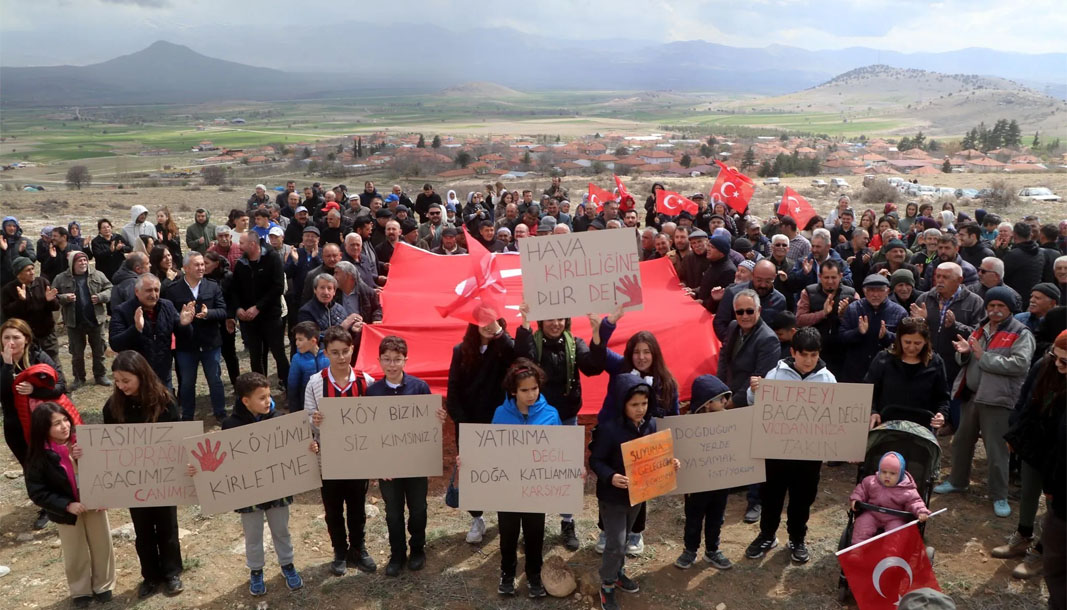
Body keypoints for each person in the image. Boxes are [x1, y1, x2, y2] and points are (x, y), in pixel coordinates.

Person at [191, 372, 307, 596]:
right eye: (261, 397)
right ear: (246, 401)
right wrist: (200, 469)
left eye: (268, 395)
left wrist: (308, 449)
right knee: (253, 534)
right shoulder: (230, 426)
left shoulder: (280, 419)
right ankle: (256, 570)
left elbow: (295, 449)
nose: (268, 401)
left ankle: (288, 565)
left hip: (278, 489)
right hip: (249, 494)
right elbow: (223, 464)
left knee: (282, 530)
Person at [935, 286, 1035, 518]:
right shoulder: (980, 329)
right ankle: (958, 481)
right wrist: (965, 353)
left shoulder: (1021, 333)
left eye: (1001, 306)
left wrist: (983, 357)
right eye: (991, 306)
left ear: (1010, 309)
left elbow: (1020, 365)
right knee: (961, 442)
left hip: (998, 400)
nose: (995, 310)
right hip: (972, 397)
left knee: (996, 450)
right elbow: (968, 359)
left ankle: (999, 495)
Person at [515, 303, 604, 551]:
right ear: (541, 322)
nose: (555, 323)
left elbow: (593, 367)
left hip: (566, 418)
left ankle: (567, 522)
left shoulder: (575, 343)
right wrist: (524, 321)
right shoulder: (533, 344)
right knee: (535, 471)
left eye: (561, 319)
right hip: (536, 420)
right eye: (549, 319)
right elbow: (522, 360)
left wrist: (597, 334)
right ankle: (534, 525)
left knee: (566, 472)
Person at [591, 311, 680, 555]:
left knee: (642, 487)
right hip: (613, 439)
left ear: (655, 354)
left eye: (646, 352)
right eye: (637, 352)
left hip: (645, 442)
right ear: (630, 353)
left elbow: (672, 417)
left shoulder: (667, 382)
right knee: (610, 485)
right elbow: (599, 352)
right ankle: (605, 529)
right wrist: (607, 325)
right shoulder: (620, 367)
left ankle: (635, 532)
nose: (641, 357)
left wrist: (667, 449)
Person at [745, 327, 836, 564]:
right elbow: (755, 403)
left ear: (819, 354)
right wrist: (754, 390)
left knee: (802, 498)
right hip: (777, 452)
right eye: (803, 354)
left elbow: (836, 417)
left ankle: (797, 538)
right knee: (771, 495)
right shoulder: (775, 375)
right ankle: (767, 534)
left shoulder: (828, 380)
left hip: (809, 455)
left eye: (813, 355)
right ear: (793, 352)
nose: (808, 361)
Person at [590, 376, 679, 610]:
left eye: (644, 403)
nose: (640, 409)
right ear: (622, 404)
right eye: (634, 404)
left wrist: (669, 463)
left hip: (638, 495)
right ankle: (607, 585)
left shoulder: (650, 426)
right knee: (616, 543)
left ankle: (618, 572)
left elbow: (656, 455)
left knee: (627, 535)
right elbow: (596, 460)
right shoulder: (609, 430)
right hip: (612, 497)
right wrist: (611, 476)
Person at [104, 351, 185, 597]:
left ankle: (172, 573)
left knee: (167, 525)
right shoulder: (113, 406)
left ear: (142, 375)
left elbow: (178, 437)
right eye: (117, 381)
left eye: (126, 380)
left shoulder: (165, 401)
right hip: (133, 479)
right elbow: (106, 443)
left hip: (163, 477)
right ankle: (150, 576)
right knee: (142, 529)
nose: (121, 386)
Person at [365, 336, 445, 577]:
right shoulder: (372, 393)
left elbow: (428, 429)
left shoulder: (419, 387)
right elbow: (370, 432)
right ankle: (397, 554)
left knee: (418, 508)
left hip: (416, 463)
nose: (392, 365)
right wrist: (378, 465)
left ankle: (418, 549)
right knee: (393, 512)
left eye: (397, 359)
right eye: (387, 359)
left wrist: (437, 420)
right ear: (379, 360)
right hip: (388, 467)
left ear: (405, 360)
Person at [25, 403, 115, 607]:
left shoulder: (85, 443)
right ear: (43, 428)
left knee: (102, 544)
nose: (64, 426)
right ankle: (80, 590)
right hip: (66, 511)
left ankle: (104, 585)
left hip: (94, 504)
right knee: (75, 551)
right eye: (56, 424)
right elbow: (37, 491)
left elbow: (107, 470)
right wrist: (66, 505)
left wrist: (104, 494)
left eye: (65, 420)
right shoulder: (39, 455)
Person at [304, 327, 376, 575]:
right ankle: (339, 550)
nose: (341, 357)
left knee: (357, 506)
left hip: (358, 457)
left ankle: (359, 548)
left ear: (352, 350)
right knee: (333, 509)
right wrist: (316, 420)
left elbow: (376, 419)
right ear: (326, 353)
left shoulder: (366, 381)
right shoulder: (315, 383)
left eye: (345, 351)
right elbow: (307, 420)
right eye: (335, 353)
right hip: (328, 458)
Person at [487, 359, 560, 598]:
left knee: (534, 533)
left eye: (534, 388)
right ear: (513, 391)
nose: (531, 394)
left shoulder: (551, 414)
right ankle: (507, 574)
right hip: (508, 488)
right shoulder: (500, 414)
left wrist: (571, 468)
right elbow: (491, 450)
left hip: (535, 488)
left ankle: (534, 575)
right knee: (508, 534)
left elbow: (561, 451)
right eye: (524, 390)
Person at [1004, 330, 1066, 602]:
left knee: (1054, 504)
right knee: (1028, 491)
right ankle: (1023, 535)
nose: (1059, 365)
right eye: (1057, 358)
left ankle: (1042, 551)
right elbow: (1025, 399)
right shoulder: (1044, 365)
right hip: (1034, 441)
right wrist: (1015, 433)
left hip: (1059, 452)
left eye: (1065, 362)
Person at [446, 318, 515, 544]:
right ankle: (477, 518)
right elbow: (453, 389)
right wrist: (463, 422)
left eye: (492, 320)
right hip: (468, 425)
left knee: (503, 471)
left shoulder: (503, 349)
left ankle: (507, 519)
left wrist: (498, 332)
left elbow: (518, 356)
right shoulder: (460, 351)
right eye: (482, 320)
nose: (487, 324)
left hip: (500, 423)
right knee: (472, 474)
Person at [1, 318, 67, 530]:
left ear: (26, 339)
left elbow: (60, 385)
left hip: (41, 422)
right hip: (15, 424)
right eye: (6, 337)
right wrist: (7, 364)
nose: (11, 342)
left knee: (50, 463)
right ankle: (46, 506)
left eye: (15, 337)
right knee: (30, 467)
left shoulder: (39, 356)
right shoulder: (2, 360)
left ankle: (60, 503)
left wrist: (35, 391)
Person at [673, 374, 735, 571]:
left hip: (720, 482)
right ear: (707, 403)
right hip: (696, 485)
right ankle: (690, 550)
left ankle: (712, 551)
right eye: (721, 398)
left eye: (726, 397)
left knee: (716, 517)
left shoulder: (730, 421)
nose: (725, 401)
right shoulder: (688, 425)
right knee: (693, 518)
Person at [163, 252, 227, 421]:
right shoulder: (173, 290)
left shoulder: (212, 286)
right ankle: (188, 416)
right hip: (186, 345)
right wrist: (181, 319)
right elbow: (168, 316)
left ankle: (220, 412)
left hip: (210, 343)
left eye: (202, 265)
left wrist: (208, 313)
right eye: (196, 265)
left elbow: (222, 310)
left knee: (215, 380)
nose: (201, 268)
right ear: (185, 268)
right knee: (187, 383)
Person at [866, 316, 950, 429]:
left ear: (925, 342)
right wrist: (873, 411)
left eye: (917, 343)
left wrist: (941, 414)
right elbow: (869, 390)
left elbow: (943, 397)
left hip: (921, 428)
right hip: (886, 426)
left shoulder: (936, 362)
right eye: (907, 342)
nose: (911, 348)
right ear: (899, 339)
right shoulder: (884, 359)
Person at [109, 274, 191, 388]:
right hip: (136, 374)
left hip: (163, 372)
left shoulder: (167, 306)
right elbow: (115, 344)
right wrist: (136, 329)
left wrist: (184, 324)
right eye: (148, 291)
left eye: (156, 290)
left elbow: (184, 337)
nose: (153, 295)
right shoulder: (122, 311)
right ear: (137, 291)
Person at [232, 232, 288, 387]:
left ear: (252, 244)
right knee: (256, 355)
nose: (239, 246)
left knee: (278, 352)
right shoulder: (241, 263)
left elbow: (278, 287)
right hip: (249, 319)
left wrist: (258, 307)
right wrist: (238, 309)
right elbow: (234, 289)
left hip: (270, 315)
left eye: (242, 243)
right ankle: (260, 388)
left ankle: (287, 384)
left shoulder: (272, 258)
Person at [52, 251, 112, 392]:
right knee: (77, 353)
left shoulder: (97, 275)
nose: (83, 263)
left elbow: (110, 288)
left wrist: (101, 296)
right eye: (80, 261)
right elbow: (52, 297)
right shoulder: (61, 278)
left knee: (99, 351)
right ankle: (79, 378)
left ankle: (100, 375)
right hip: (74, 323)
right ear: (72, 263)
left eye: (85, 260)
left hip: (95, 320)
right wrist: (64, 298)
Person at [848, 452, 931, 544]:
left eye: (892, 473)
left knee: (896, 532)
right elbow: (861, 490)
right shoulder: (871, 482)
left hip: (895, 518)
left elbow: (915, 502)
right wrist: (856, 499)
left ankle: (891, 554)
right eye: (884, 472)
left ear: (900, 475)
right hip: (872, 514)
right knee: (862, 524)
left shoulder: (907, 490)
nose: (887, 476)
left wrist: (921, 511)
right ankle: (857, 548)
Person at [839, 274, 907, 383]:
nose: (875, 294)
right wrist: (859, 332)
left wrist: (887, 336)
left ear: (887, 291)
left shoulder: (899, 312)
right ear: (864, 291)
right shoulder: (853, 309)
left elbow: (905, 342)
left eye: (880, 290)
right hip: (855, 372)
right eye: (871, 290)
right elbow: (842, 337)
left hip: (886, 372)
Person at [1, 256, 61, 361]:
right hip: (25, 337)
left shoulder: (43, 283)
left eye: (32, 269)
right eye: (28, 270)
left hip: (47, 335)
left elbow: (55, 307)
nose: (32, 272)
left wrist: (49, 300)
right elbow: (7, 313)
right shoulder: (8, 289)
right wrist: (21, 301)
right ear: (19, 274)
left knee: (53, 364)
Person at [203, 252, 240, 387]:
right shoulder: (202, 278)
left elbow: (233, 299)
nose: (203, 266)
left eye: (206, 263)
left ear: (216, 264)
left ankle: (236, 384)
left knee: (229, 354)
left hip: (225, 320)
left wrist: (230, 316)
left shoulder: (228, 277)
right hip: (209, 321)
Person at [1001, 222, 1055, 299]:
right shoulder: (1041, 253)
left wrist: (1000, 251)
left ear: (1014, 235)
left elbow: (1002, 276)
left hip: (1015, 297)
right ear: (1031, 234)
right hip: (1035, 296)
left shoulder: (1013, 255)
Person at [286, 321, 327, 413]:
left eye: (300, 340)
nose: (297, 343)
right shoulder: (297, 359)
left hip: (328, 401)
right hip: (306, 404)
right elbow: (293, 387)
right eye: (296, 339)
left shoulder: (328, 354)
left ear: (313, 341)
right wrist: (295, 412)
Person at [1, 216, 36, 287]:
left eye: (14, 226)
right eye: (9, 226)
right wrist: (3, 250)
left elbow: (33, 259)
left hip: (21, 279)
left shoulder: (24, 241)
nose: (12, 228)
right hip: (2, 280)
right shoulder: (0, 241)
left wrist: (23, 252)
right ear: (4, 227)